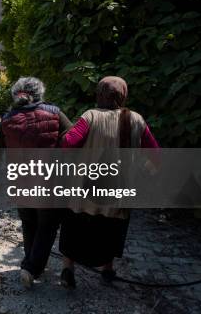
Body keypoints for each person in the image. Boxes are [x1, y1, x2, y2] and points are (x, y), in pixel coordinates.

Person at [59, 76, 159, 289]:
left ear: (99, 94)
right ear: (123, 95)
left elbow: (69, 143)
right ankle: (107, 270)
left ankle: (68, 268)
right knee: (112, 230)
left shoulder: (91, 116)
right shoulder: (137, 119)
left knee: (73, 228)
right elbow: (155, 154)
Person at [0, 77, 72, 289]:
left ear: (16, 95)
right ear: (40, 93)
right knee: (48, 225)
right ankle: (31, 268)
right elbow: (74, 139)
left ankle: (30, 265)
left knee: (29, 223)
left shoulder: (7, 120)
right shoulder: (55, 113)